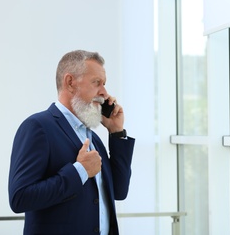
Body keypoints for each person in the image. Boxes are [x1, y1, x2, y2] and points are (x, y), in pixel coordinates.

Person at [8, 50, 135, 235]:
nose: (104, 92)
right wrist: (80, 171)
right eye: (96, 83)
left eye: (104, 84)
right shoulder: (37, 127)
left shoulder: (94, 139)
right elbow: (20, 198)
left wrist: (116, 133)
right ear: (70, 83)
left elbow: (119, 191)